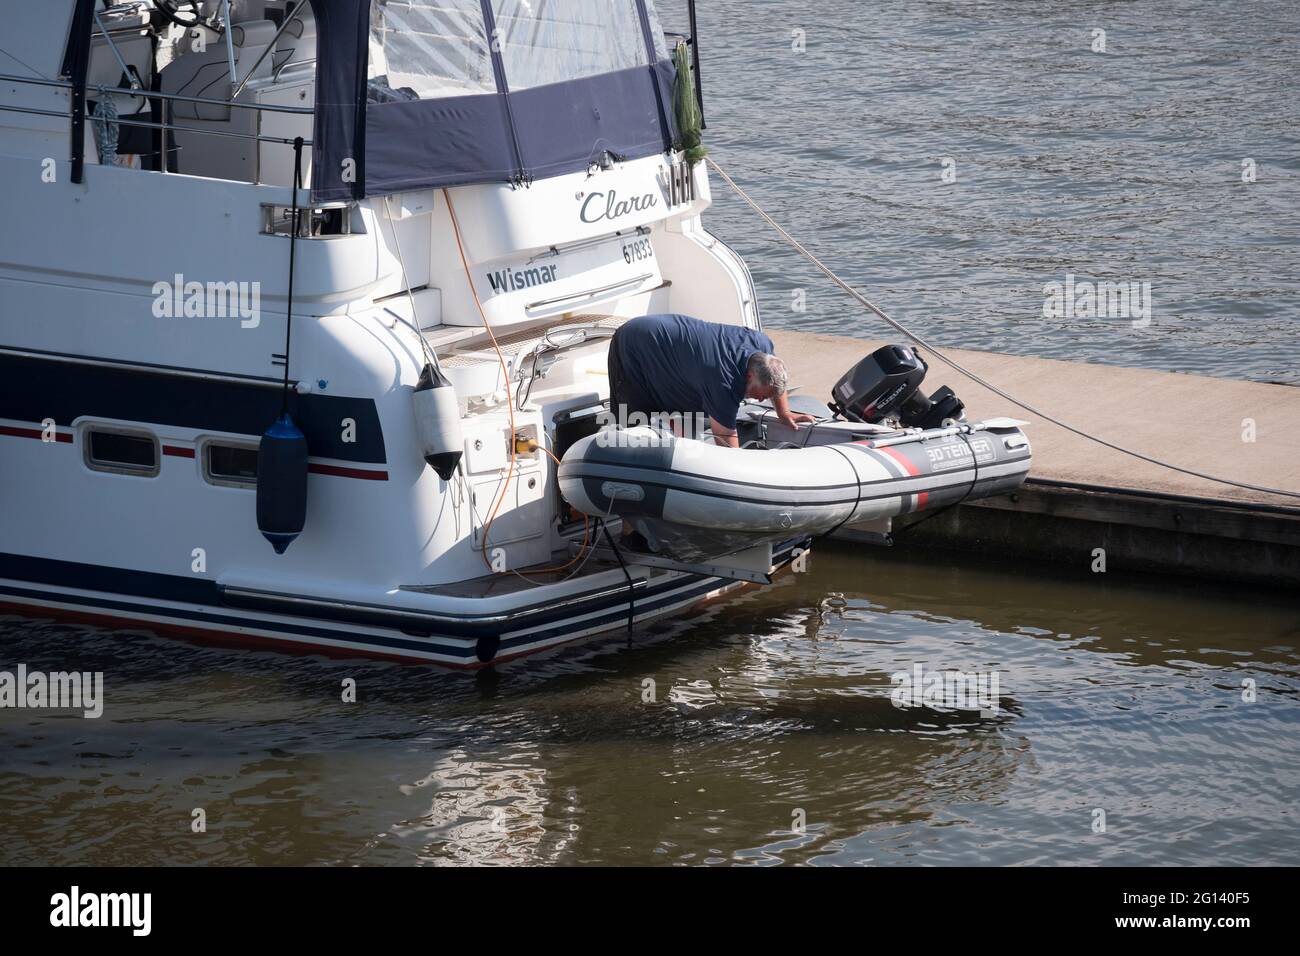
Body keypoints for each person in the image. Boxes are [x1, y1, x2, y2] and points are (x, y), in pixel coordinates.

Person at [606, 313, 814, 447]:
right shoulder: (723, 380)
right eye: (762, 395)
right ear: (749, 376)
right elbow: (724, 436)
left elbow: (776, 383)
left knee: (686, 407)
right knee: (634, 425)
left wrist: (784, 413)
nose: (761, 401)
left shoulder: (762, 345)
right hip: (634, 343)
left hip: (675, 349)